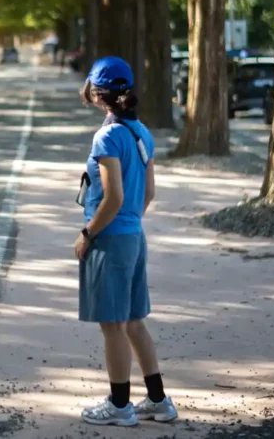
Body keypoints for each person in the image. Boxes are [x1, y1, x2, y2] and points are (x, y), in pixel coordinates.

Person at [75, 56, 178, 427]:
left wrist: (89, 234)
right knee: (134, 322)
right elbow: (148, 192)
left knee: (113, 325)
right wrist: (130, 225)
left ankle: (120, 406)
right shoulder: (140, 131)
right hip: (134, 236)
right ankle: (158, 401)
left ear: (97, 93)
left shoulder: (107, 136)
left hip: (111, 239)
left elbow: (113, 197)